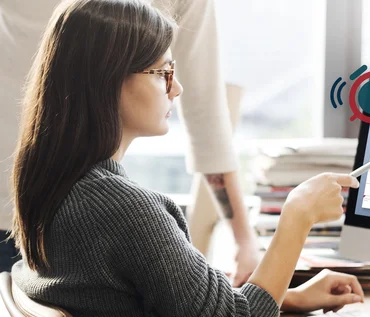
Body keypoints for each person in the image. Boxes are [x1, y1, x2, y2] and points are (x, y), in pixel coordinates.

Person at [8, 0, 365, 317]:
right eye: (162, 73)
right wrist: (298, 214)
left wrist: (287, 297)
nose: (176, 88)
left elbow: (173, 300)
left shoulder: (54, 187)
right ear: (108, 80)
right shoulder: (123, 210)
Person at [0, 0, 261, 285]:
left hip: (39, 203)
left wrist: (243, 240)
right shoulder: (133, 214)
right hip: (30, 212)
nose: (175, 88)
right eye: (162, 73)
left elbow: (206, 115)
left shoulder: (122, 208)